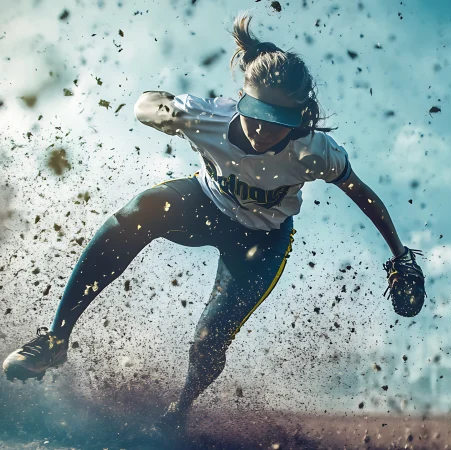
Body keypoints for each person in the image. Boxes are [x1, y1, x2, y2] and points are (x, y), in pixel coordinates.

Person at [2, 11, 426, 435]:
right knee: (140, 210)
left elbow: (364, 195)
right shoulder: (207, 119)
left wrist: (400, 256)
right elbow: (143, 103)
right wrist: (161, 110)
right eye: (255, 111)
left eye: (279, 121)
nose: (262, 130)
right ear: (242, 95)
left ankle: (180, 410)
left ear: (298, 117)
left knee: (209, 340)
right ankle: (56, 338)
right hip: (203, 207)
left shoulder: (315, 152)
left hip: (260, 243)